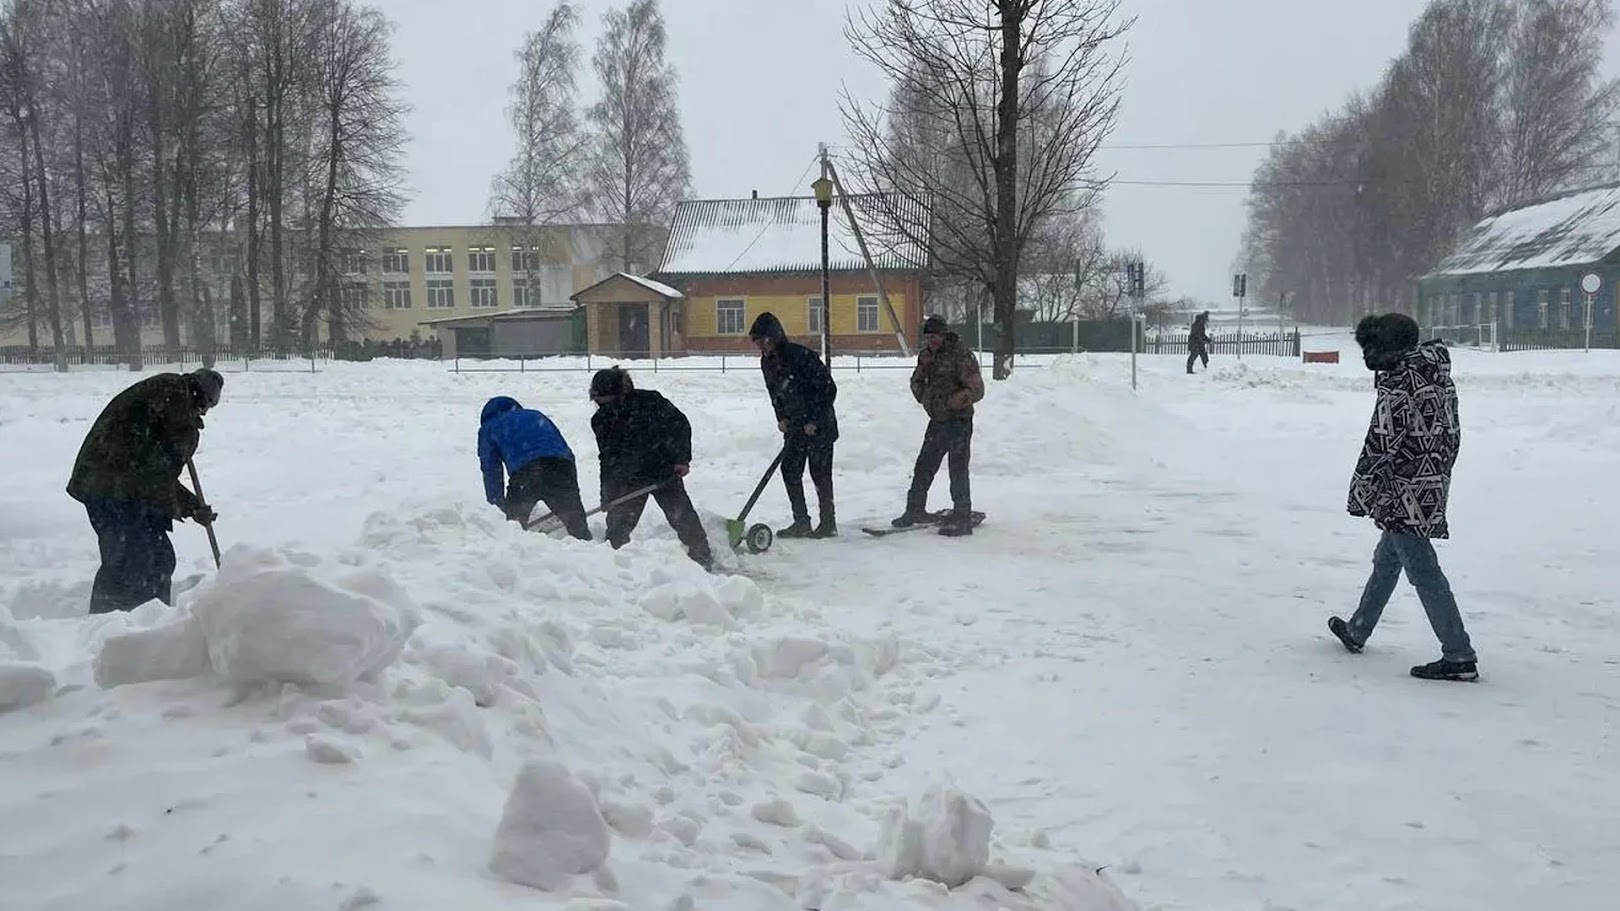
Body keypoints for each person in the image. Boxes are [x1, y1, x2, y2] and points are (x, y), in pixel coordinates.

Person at [1328, 313, 1478, 682]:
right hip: (1428, 481)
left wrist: (1360, 492)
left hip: (1403, 488)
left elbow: (1381, 443)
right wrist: (1436, 474)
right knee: (1387, 558)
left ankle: (1459, 653)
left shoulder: (1400, 383)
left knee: (1422, 568)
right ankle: (1358, 628)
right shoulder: (1438, 376)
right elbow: (1453, 433)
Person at [66, 368, 224, 614]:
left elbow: (157, 471)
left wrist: (192, 507)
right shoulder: (176, 397)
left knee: (156, 558)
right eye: (204, 409)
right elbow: (158, 472)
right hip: (111, 486)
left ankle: (152, 623)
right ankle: (108, 626)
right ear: (203, 400)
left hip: (119, 484)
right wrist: (185, 437)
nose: (201, 415)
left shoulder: (170, 393)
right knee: (130, 559)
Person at [588, 366, 715, 569]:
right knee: (617, 528)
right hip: (631, 480)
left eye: (608, 403)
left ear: (621, 395)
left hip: (663, 471)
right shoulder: (600, 420)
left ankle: (703, 557)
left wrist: (681, 459)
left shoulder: (650, 402)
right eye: (599, 404)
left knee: (682, 516)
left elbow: (680, 425)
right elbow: (607, 458)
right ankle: (615, 567)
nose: (604, 409)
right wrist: (608, 495)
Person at [891, 315, 985, 536]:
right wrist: (925, 397)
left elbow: (977, 390)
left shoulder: (961, 355)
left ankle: (962, 517)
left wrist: (952, 402)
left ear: (944, 335)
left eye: (936, 336)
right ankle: (914, 510)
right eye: (929, 336)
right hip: (937, 421)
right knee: (924, 465)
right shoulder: (926, 357)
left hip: (959, 421)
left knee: (958, 469)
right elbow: (916, 380)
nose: (932, 340)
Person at [747, 311, 839, 538]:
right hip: (795, 426)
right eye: (757, 343)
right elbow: (775, 394)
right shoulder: (766, 363)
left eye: (763, 341)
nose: (761, 347)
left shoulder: (801, 356)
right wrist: (782, 417)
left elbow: (828, 389)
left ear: (774, 336)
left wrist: (814, 420)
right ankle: (801, 521)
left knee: (820, 474)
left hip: (820, 425)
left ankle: (828, 523)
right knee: (790, 470)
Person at [477, 395, 591, 541]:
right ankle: (589, 551)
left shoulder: (488, 428)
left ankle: (516, 556)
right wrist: (570, 490)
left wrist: (498, 509)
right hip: (560, 466)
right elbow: (566, 451)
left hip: (525, 474)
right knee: (578, 528)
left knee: (512, 532)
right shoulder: (535, 415)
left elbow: (491, 470)